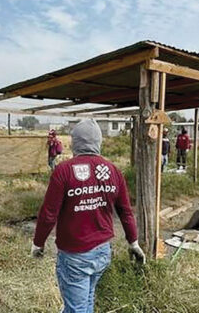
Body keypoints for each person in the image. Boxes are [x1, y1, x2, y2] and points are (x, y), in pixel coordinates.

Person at [31, 119, 145, 313]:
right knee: (87, 299)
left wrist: (38, 243)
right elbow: (125, 211)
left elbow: (49, 214)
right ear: (98, 142)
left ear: (75, 142)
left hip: (76, 255)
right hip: (102, 252)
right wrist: (133, 242)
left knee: (77, 308)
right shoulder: (113, 171)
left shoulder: (64, 171)